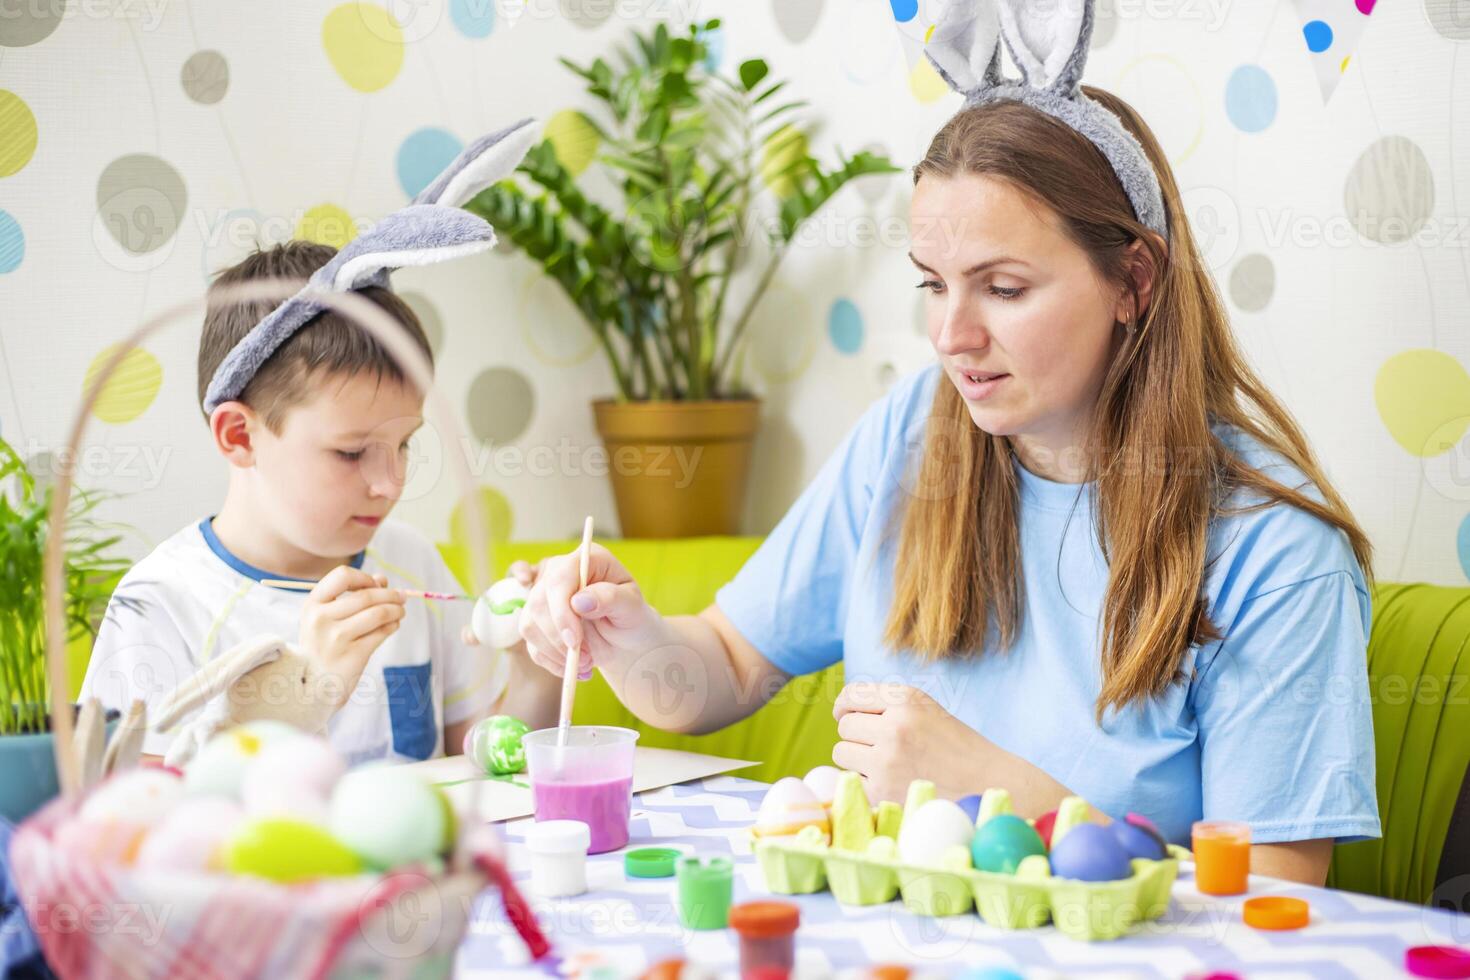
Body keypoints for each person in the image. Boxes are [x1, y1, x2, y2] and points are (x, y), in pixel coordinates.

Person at [515, 60, 1379, 884]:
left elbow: (1281, 902)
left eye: (1002, 288)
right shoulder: (911, 440)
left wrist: (999, 797)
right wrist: (628, 634)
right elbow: (728, 667)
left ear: (1134, 281)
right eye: (934, 284)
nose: (950, 336)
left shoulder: (1273, 550)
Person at [81, 241, 559, 763]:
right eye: (352, 453)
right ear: (240, 435)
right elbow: (132, 819)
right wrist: (304, 699)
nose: (391, 483)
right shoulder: (161, 604)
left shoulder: (410, 562)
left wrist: (537, 671)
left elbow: (489, 767)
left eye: (403, 445)